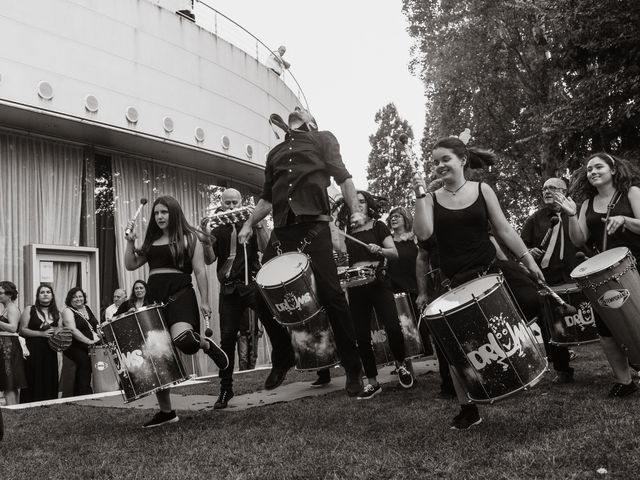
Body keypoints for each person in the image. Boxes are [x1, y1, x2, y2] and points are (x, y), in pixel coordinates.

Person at [413, 136, 545, 430]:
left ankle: (521, 361)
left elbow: (503, 229)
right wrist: (420, 196)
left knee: (532, 300)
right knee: (452, 349)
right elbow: (423, 235)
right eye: (435, 162)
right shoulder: (431, 199)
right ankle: (468, 408)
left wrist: (529, 261)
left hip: (490, 269)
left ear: (462, 160)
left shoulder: (482, 189)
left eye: (445, 159)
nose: (439, 166)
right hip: (455, 280)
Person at [238, 108, 365, 396]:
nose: (296, 111)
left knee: (332, 296)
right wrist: (248, 224)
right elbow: (267, 198)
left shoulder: (322, 139)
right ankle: (282, 355)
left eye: (303, 113)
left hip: (314, 227)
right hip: (283, 230)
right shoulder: (275, 153)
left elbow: (344, 178)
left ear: (310, 122)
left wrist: (355, 211)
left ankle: (352, 366)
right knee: (261, 294)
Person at [125, 195, 229, 427]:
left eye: (164, 212)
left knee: (183, 340)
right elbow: (130, 264)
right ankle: (167, 412)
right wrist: (131, 242)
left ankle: (205, 344)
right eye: (156, 213)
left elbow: (201, 271)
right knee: (157, 357)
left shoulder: (189, 238)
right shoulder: (151, 242)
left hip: (181, 293)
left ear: (174, 213)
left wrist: (205, 300)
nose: (160, 217)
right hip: (154, 299)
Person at [201, 187, 294, 409]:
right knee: (227, 340)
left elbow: (265, 247)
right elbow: (209, 260)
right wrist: (205, 238)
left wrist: (258, 223)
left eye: (235, 202)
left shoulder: (250, 222)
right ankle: (226, 389)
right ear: (221, 204)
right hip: (229, 290)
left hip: (251, 283)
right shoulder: (218, 228)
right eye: (228, 203)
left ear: (240, 202)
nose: (232, 207)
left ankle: (285, 357)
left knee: (273, 319)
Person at [556, 152, 640, 397]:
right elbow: (579, 239)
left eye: (598, 167)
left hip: (635, 264)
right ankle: (624, 382)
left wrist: (624, 219)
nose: (592, 172)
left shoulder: (632, 193)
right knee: (606, 329)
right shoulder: (586, 204)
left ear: (613, 170)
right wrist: (571, 214)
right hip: (602, 272)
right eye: (589, 169)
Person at [334, 191, 414, 399]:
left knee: (393, 326)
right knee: (361, 335)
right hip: (356, 286)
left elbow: (394, 254)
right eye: (355, 203)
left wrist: (379, 249)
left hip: (379, 281)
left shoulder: (379, 226)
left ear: (369, 205)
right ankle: (372, 381)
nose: (358, 205)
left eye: (362, 202)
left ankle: (401, 364)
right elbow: (342, 253)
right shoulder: (347, 230)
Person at [521, 177, 581, 384]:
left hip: (578, 274)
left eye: (553, 188)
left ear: (565, 191)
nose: (547, 191)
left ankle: (633, 362)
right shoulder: (535, 219)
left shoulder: (578, 210)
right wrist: (529, 252)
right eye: (544, 188)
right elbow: (520, 248)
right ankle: (562, 369)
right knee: (551, 326)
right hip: (549, 281)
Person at [386, 206, 434, 357]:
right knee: (405, 325)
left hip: (418, 284)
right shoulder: (388, 242)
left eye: (397, 216)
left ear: (405, 219)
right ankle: (409, 358)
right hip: (397, 287)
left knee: (426, 322)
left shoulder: (415, 237)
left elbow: (426, 260)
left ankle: (431, 351)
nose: (393, 218)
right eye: (391, 217)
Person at [19, 285, 60, 402]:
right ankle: (29, 403)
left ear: (52, 296)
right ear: (37, 296)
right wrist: (41, 334)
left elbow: (61, 329)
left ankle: (49, 402)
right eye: (42, 292)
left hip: (50, 350)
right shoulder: (29, 309)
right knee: (33, 376)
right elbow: (22, 329)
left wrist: (57, 332)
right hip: (33, 349)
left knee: (49, 376)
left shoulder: (57, 313)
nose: (45, 294)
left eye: (48, 292)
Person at [61, 287, 100, 396]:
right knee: (84, 362)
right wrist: (88, 341)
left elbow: (95, 325)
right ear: (70, 299)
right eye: (74, 297)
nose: (78, 299)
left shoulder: (86, 308)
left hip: (89, 345)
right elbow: (72, 330)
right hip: (74, 346)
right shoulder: (67, 310)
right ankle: (83, 393)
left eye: (80, 296)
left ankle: (89, 390)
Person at [0, 281, 27, 405]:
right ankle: (14, 408)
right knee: (8, 382)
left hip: (9, 347)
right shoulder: (6, 308)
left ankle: (13, 409)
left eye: (0, 293)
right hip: (6, 346)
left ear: (9, 295)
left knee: (9, 381)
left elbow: (12, 327)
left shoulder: (12, 308)